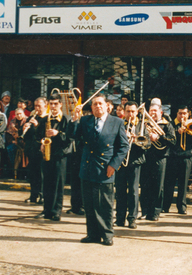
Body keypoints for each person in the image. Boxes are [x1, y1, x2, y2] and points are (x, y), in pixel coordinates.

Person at [69, 94, 129, 246]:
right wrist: (74, 119)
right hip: (87, 168)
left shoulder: (117, 122)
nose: (98, 107)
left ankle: (107, 234)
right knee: (89, 204)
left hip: (105, 169)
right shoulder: (85, 120)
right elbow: (73, 136)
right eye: (95, 104)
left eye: (100, 104)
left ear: (107, 106)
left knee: (105, 205)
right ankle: (93, 234)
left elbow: (124, 146)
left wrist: (114, 165)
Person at [30, 92, 71, 221]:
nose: (53, 107)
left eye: (55, 104)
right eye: (51, 104)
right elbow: (37, 136)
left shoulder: (66, 119)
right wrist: (42, 141)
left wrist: (57, 133)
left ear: (60, 104)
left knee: (58, 184)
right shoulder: (44, 119)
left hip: (60, 155)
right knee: (46, 183)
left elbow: (69, 138)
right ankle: (46, 210)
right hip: (47, 154)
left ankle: (56, 211)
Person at [115, 102, 149, 228]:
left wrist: (135, 140)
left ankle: (132, 219)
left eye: (133, 111)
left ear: (137, 112)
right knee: (120, 191)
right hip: (121, 162)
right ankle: (119, 218)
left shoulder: (141, 125)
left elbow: (148, 143)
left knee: (134, 192)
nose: (130, 114)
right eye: (128, 111)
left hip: (135, 162)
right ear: (124, 112)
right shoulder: (119, 124)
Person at [141, 103, 176, 221]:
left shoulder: (167, 125)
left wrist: (159, 137)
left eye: (155, 111)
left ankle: (155, 212)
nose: (152, 113)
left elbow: (173, 141)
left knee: (158, 186)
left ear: (161, 113)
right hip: (146, 157)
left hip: (160, 157)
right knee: (145, 185)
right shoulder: (145, 124)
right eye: (151, 111)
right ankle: (144, 211)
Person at [163, 105, 192, 215]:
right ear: (176, 114)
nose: (182, 116)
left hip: (186, 157)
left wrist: (189, 130)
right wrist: (178, 133)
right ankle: (166, 206)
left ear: (188, 114)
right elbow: (168, 139)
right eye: (180, 113)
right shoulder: (171, 124)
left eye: (184, 113)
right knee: (169, 183)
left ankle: (182, 207)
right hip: (173, 156)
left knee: (183, 184)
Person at [22, 97, 47, 204]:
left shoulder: (47, 119)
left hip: (41, 150)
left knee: (41, 174)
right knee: (32, 174)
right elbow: (25, 136)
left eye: (39, 106)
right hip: (31, 149)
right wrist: (24, 129)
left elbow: (45, 134)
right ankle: (33, 195)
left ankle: (42, 195)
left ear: (45, 106)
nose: (37, 108)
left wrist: (37, 126)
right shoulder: (31, 118)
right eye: (35, 106)